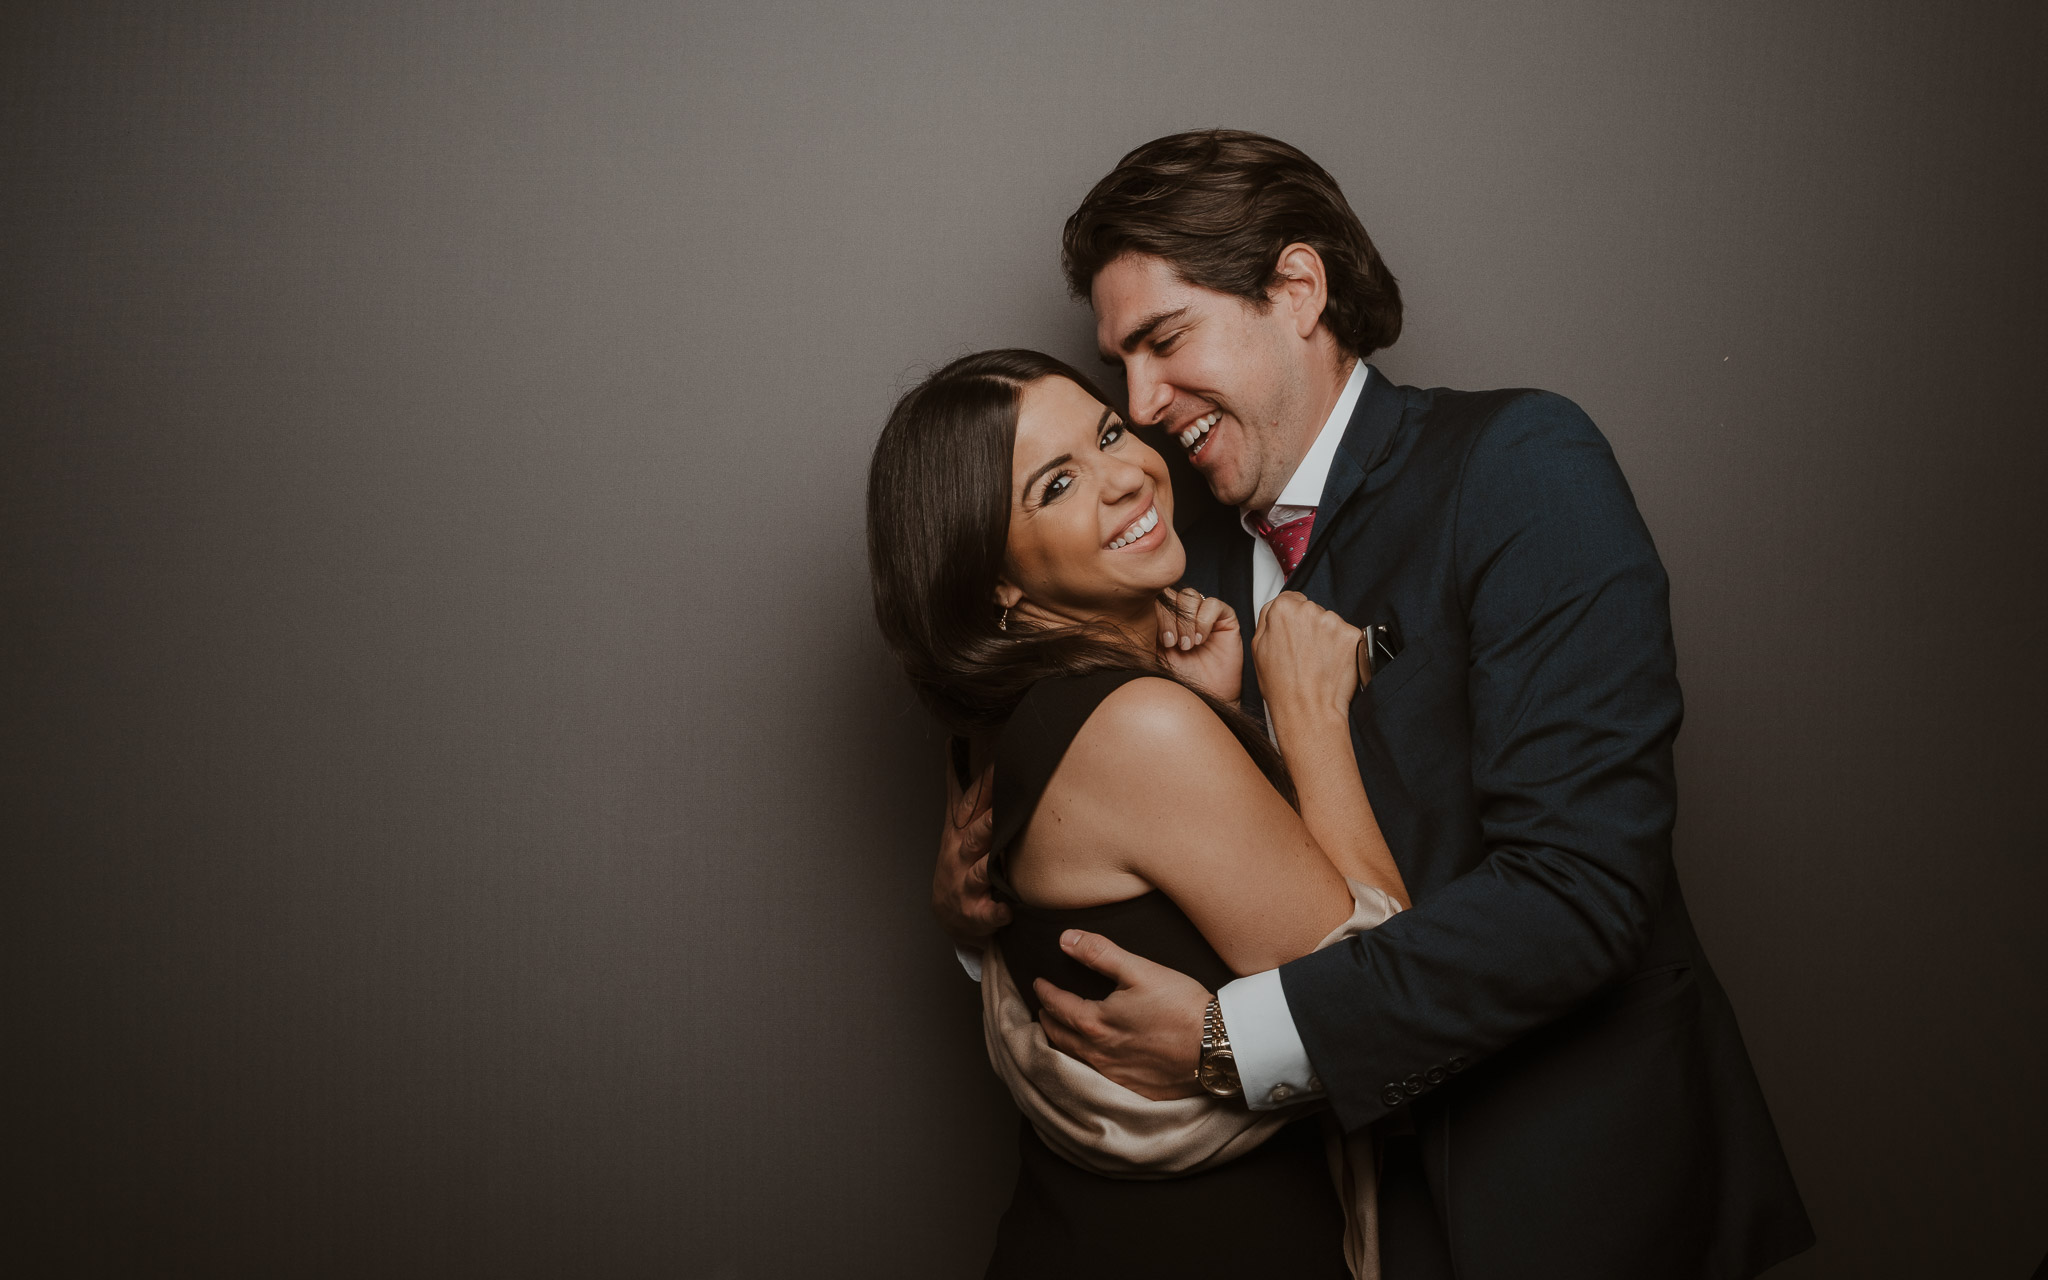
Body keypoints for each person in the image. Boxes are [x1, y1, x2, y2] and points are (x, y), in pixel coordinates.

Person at [930, 131, 1816, 1278]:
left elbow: (1581, 889)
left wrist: (1222, 1042)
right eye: (1120, 370)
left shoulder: (1516, 463)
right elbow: (1118, 843)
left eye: (1162, 340)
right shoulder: (1154, 549)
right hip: (1326, 1220)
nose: (1141, 407)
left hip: (1570, 1197)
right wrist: (979, 917)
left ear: (1296, 288)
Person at [868, 348, 1411, 1276]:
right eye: (1059, 483)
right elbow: (1385, 998)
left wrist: (1219, 712)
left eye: (1110, 432)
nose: (1128, 477)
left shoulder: (1007, 728)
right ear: (993, 577)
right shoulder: (1135, 728)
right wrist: (1309, 716)